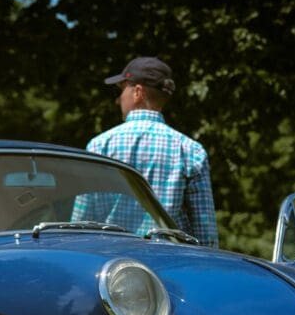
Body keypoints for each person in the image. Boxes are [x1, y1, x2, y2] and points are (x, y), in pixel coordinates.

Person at [76, 56, 218, 247]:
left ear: (137, 92)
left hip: (111, 261)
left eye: (122, 90)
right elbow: (205, 231)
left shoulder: (100, 145)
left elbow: (81, 221)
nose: (119, 99)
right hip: (168, 265)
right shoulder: (190, 150)